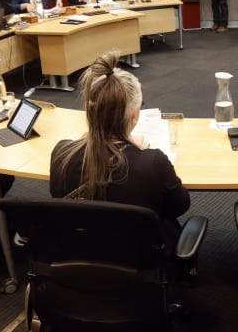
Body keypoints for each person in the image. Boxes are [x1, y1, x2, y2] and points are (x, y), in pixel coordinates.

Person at [49, 52, 189, 247]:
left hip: (79, 251)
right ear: (134, 117)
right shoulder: (152, 162)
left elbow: (57, 197)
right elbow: (179, 206)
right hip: (140, 257)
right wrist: (138, 152)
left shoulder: (61, 152)